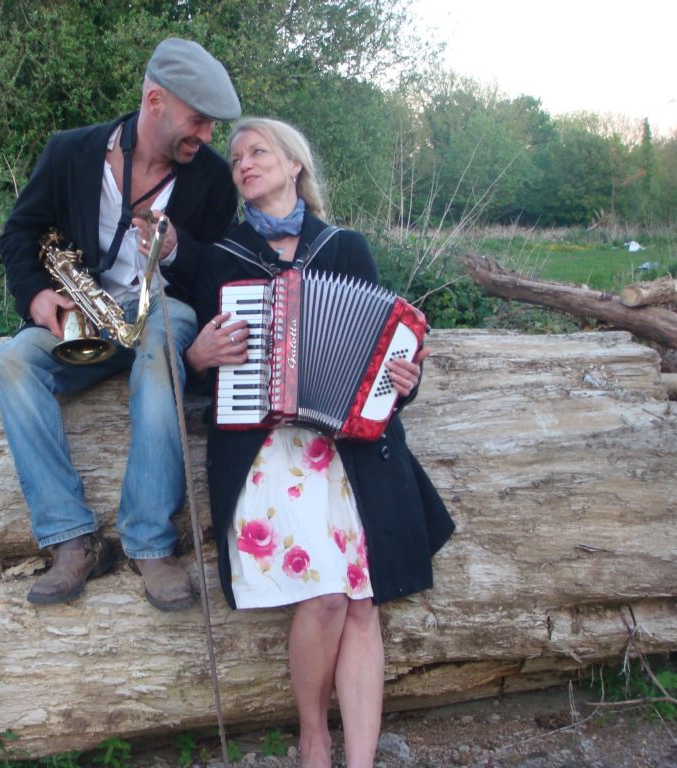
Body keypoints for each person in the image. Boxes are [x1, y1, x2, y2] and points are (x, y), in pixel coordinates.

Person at [173, 118, 455, 767]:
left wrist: (404, 377)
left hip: (348, 450)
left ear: (294, 163)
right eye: (236, 156)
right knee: (326, 597)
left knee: (362, 602)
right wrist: (197, 354)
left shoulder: (344, 248)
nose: (243, 162)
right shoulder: (223, 257)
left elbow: (383, 353)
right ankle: (312, 736)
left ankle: (358, 760)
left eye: (258, 151)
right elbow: (191, 370)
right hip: (267, 452)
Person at [0, 38, 241, 611]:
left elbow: (220, 274)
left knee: (158, 352)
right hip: (89, 318)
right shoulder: (70, 152)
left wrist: (177, 251)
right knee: (8, 361)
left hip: (163, 312)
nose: (206, 137)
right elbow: (17, 234)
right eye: (197, 121)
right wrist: (35, 297)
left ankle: (150, 543)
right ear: (155, 101)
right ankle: (72, 539)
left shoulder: (212, 180)